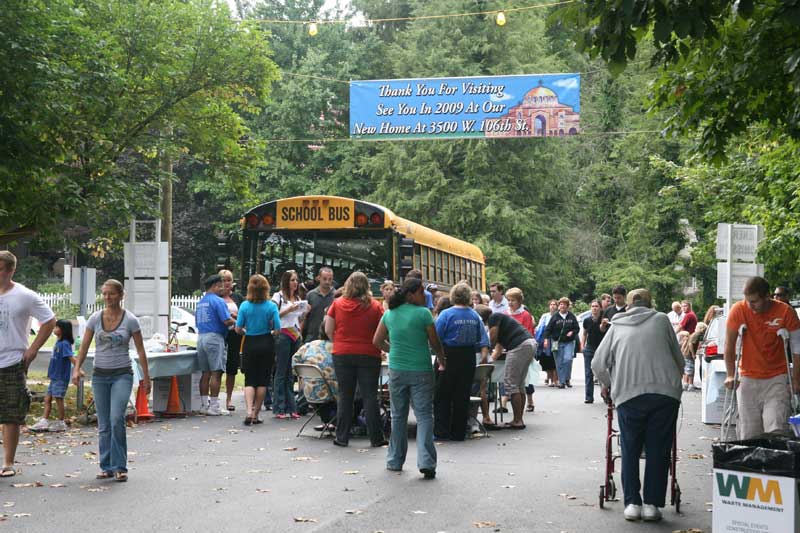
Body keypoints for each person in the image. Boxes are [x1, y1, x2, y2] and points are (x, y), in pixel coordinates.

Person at [591, 288, 684, 522]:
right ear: (650, 303)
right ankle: (652, 505)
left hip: (629, 395)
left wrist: (609, 385)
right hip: (665, 394)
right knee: (659, 450)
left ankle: (632, 503)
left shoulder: (616, 325)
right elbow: (679, 359)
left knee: (630, 448)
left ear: (628, 305)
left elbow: (598, 363)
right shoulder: (662, 320)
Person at [73, 279, 151, 482]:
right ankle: (106, 465)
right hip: (100, 375)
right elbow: (84, 346)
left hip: (122, 374)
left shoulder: (130, 320)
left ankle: (120, 466)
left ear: (121, 295)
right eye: (105, 293)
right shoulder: (95, 318)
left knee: (117, 419)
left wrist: (147, 377)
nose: (108, 297)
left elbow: (140, 350)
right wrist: (77, 368)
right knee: (104, 422)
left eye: (112, 294)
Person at [373, 278, 445, 479]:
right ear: (411, 294)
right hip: (421, 369)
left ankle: (395, 460)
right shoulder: (423, 314)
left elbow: (377, 340)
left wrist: (392, 350)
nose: (425, 297)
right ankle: (426, 462)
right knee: (423, 416)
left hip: (396, 369)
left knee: (398, 416)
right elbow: (435, 342)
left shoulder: (390, 314)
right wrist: (442, 359)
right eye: (422, 292)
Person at [0, 251, 55, 476]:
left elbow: (50, 321)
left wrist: (33, 349)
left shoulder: (25, 296)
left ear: (11, 270)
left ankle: (8, 463)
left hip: (12, 360)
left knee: (11, 414)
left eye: (0, 269)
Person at [724, 276, 800, 440]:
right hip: (747, 379)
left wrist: (796, 380)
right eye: (747, 301)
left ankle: (774, 465)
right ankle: (750, 465)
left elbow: (797, 348)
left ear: (767, 296)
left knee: (776, 427)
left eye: (754, 301)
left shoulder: (786, 312)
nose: (750, 306)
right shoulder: (738, 310)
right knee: (749, 433)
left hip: (777, 378)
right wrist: (730, 374)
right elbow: (729, 345)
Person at [324, 271, 385, 447]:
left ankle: (341, 437)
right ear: (367, 286)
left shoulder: (337, 304)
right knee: (370, 396)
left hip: (342, 353)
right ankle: (376, 437)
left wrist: (339, 342)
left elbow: (328, 329)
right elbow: (383, 330)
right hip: (369, 353)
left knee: (345, 395)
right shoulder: (375, 306)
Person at [434, 283, 490, 441]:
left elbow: (436, 336)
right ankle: (458, 432)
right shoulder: (475, 316)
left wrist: (439, 357)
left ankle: (441, 431)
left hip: (448, 355)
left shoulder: (446, 314)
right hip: (468, 357)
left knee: (442, 395)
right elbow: (481, 339)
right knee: (462, 395)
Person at [235, 274, 280, 426]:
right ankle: (256, 414)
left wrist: (245, 332)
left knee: (250, 379)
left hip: (250, 342)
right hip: (266, 342)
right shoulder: (271, 306)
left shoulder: (244, 306)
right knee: (263, 380)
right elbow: (278, 329)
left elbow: (238, 328)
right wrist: (271, 332)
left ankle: (248, 411)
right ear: (266, 289)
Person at [484, 309, 537, 429]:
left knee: (511, 383)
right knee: (519, 384)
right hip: (529, 344)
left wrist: (484, 350)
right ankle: (519, 419)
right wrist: (489, 360)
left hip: (519, 346)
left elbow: (492, 340)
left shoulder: (494, 318)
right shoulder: (503, 324)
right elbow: (498, 348)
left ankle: (517, 420)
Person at [196, 274, 235, 415]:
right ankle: (214, 406)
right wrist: (237, 322)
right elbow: (226, 321)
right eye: (220, 285)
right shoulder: (218, 301)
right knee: (216, 373)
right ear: (214, 286)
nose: (222, 288)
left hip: (201, 337)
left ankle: (203, 405)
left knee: (205, 373)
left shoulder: (201, 302)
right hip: (215, 338)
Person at [31, 319, 77, 432]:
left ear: (63, 330)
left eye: (57, 327)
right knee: (47, 399)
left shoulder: (65, 344)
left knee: (58, 399)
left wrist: (78, 368)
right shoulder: (58, 342)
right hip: (54, 377)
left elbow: (71, 358)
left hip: (61, 377)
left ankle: (61, 422)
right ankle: (44, 421)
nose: (54, 329)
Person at [272, 270, 306, 420]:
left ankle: (291, 407)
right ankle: (279, 407)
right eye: (292, 280)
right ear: (286, 281)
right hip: (283, 334)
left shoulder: (297, 297)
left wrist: (304, 312)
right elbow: (273, 315)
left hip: (295, 334)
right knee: (281, 371)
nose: (295, 283)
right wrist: (288, 309)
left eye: (296, 280)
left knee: (291, 372)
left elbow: (298, 319)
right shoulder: (278, 296)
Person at [293, 322, 338, 432]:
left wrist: (302, 376)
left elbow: (294, 363)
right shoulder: (337, 348)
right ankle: (343, 421)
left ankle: (329, 420)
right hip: (333, 392)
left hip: (310, 392)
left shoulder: (309, 346)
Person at [505, 288, 536, 412]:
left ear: (519, 301)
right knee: (512, 380)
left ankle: (528, 401)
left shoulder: (525, 315)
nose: (510, 303)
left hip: (522, 348)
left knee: (522, 379)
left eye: (513, 300)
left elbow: (528, 333)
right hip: (510, 348)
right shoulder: (506, 314)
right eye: (508, 300)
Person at [219, 269, 244, 412]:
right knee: (217, 366)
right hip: (220, 334)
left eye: (229, 280)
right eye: (223, 280)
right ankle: (214, 398)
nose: (226, 283)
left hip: (235, 335)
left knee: (232, 366)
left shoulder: (238, 298)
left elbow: (245, 314)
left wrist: (237, 315)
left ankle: (228, 399)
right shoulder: (216, 298)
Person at [544, 297, 580, 389]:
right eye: (560, 304)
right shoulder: (555, 317)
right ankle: (562, 382)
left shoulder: (571, 316)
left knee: (567, 359)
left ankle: (567, 378)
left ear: (568, 306)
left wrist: (572, 332)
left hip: (569, 342)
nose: (562, 306)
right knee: (559, 362)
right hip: (557, 342)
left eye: (564, 304)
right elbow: (548, 329)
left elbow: (577, 328)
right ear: (558, 306)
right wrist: (546, 340)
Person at [303, 267, 335, 342]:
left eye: (330, 279)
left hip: (329, 338)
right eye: (324, 279)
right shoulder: (310, 295)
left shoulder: (336, 296)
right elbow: (304, 317)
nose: (327, 282)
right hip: (311, 337)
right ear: (319, 278)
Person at [580, 300, 603, 404]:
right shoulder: (586, 320)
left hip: (601, 348)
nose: (594, 308)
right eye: (593, 306)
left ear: (600, 308)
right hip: (589, 348)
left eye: (596, 306)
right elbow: (584, 333)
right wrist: (582, 346)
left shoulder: (604, 320)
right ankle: (589, 397)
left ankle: (605, 394)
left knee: (602, 372)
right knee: (588, 373)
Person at [535, 300, 558, 387]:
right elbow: (539, 328)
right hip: (546, 339)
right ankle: (549, 376)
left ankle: (555, 379)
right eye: (551, 305)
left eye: (554, 304)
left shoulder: (558, 316)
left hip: (555, 340)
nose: (552, 306)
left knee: (554, 356)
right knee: (546, 358)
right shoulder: (545, 316)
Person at [677, 301, 698, 390]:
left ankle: (689, 384)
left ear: (689, 306)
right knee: (688, 362)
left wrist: (672, 333)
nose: (683, 308)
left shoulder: (689, 315)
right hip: (690, 341)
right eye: (682, 306)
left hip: (688, 341)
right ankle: (687, 383)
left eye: (685, 306)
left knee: (688, 362)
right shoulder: (692, 314)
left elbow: (680, 326)